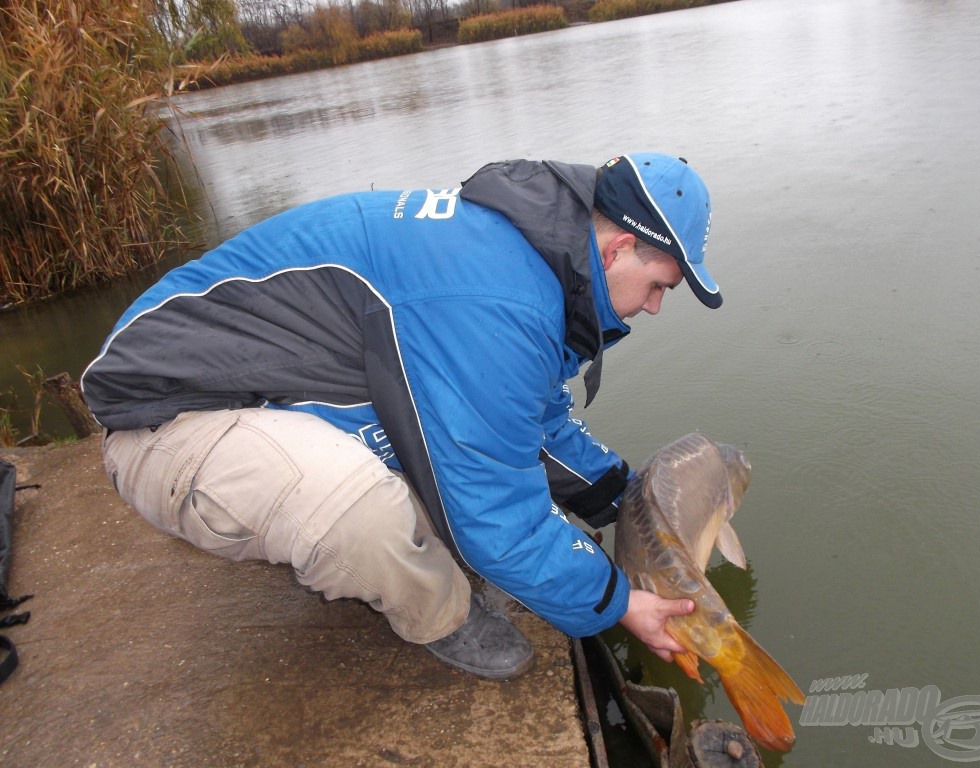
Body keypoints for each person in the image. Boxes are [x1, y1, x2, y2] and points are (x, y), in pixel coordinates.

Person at [82, 153, 722, 681]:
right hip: (167, 423)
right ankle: (440, 617)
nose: (657, 307)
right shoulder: (496, 295)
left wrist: (619, 492)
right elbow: (495, 516)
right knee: (366, 513)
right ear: (619, 249)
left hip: (262, 388)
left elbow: (524, 417)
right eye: (661, 286)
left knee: (456, 457)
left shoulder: (530, 258)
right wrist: (615, 605)